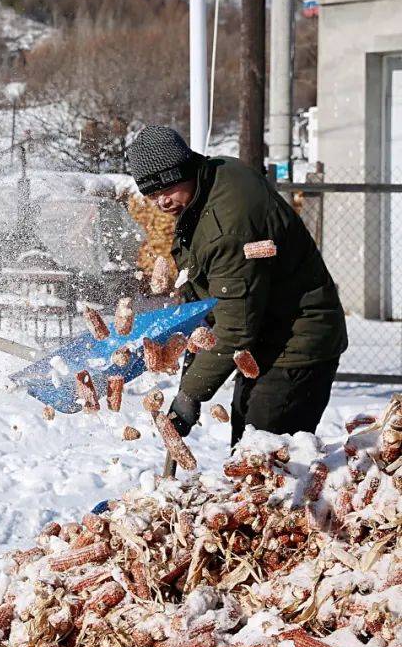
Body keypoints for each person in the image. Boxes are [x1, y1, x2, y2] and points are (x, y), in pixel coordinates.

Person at [127, 124, 348, 447]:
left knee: (266, 463)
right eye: (152, 194)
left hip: (296, 343)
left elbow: (235, 327)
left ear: (185, 168)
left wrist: (191, 393)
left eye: (167, 188)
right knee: (246, 445)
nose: (162, 202)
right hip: (265, 338)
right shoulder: (213, 177)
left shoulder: (229, 225)